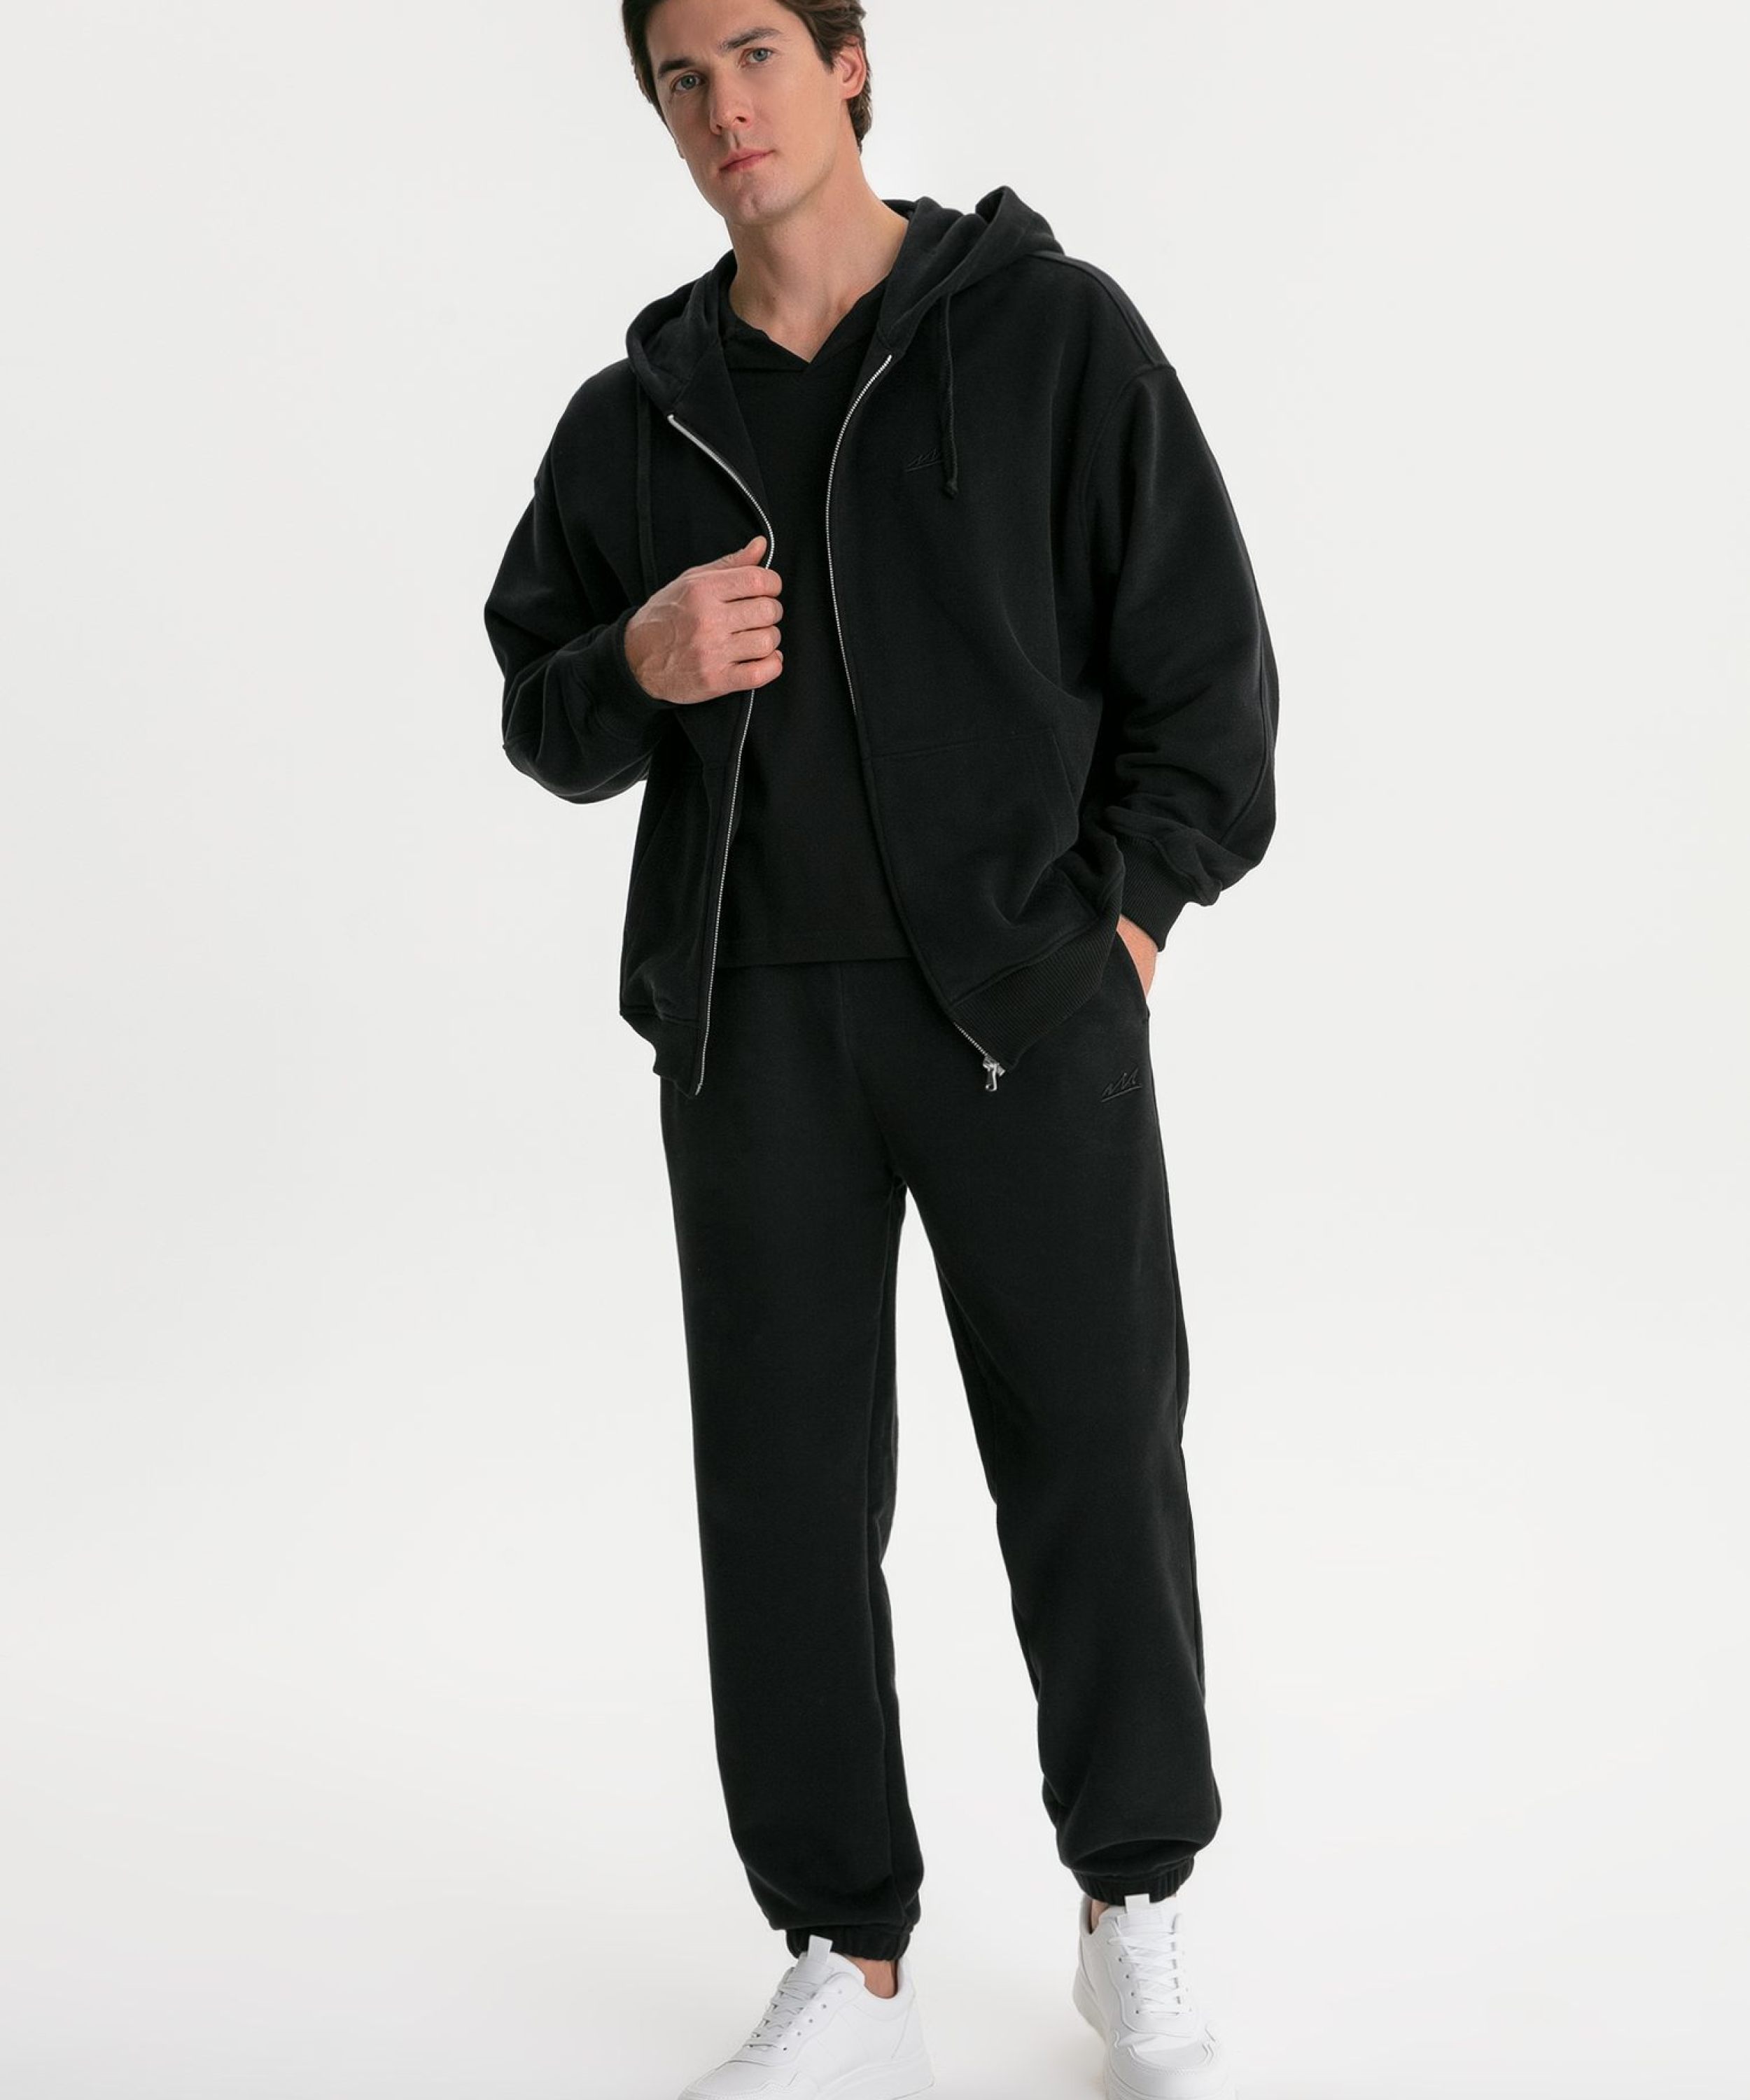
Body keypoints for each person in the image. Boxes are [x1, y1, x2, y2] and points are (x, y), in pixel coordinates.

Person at [482, 3, 1279, 2093]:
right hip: (752, 1026)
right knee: (782, 1494)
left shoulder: (1049, 337)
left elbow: (1208, 677)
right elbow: (540, 708)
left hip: (1023, 1008)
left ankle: (1134, 1902)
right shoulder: (638, 415)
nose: (721, 107)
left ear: (846, 63)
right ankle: (846, 1946)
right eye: (678, 79)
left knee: (1095, 1457)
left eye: (753, 51)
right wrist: (639, 657)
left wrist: (1118, 927)